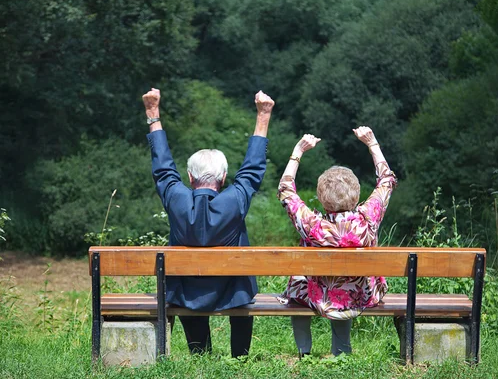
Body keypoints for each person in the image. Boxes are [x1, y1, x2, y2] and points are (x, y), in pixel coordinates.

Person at [143, 87, 274, 358]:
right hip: (233, 292)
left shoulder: (177, 199)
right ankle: (240, 358)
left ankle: (200, 355)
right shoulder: (234, 201)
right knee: (242, 288)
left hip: (187, 294)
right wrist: (263, 115)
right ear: (224, 177)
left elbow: (163, 169)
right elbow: (252, 170)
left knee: (185, 290)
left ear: (190, 177)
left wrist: (153, 113)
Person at [276, 127, 397, 357]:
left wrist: (298, 151)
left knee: (297, 285)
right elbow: (387, 181)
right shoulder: (367, 218)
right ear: (357, 194)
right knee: (344, 287)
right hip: (359, 295)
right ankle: (341, 351)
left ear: (321, 198)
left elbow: (285, 189)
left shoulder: (312, 225)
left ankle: (304, 352)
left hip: (317, 295)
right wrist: (372, 144)